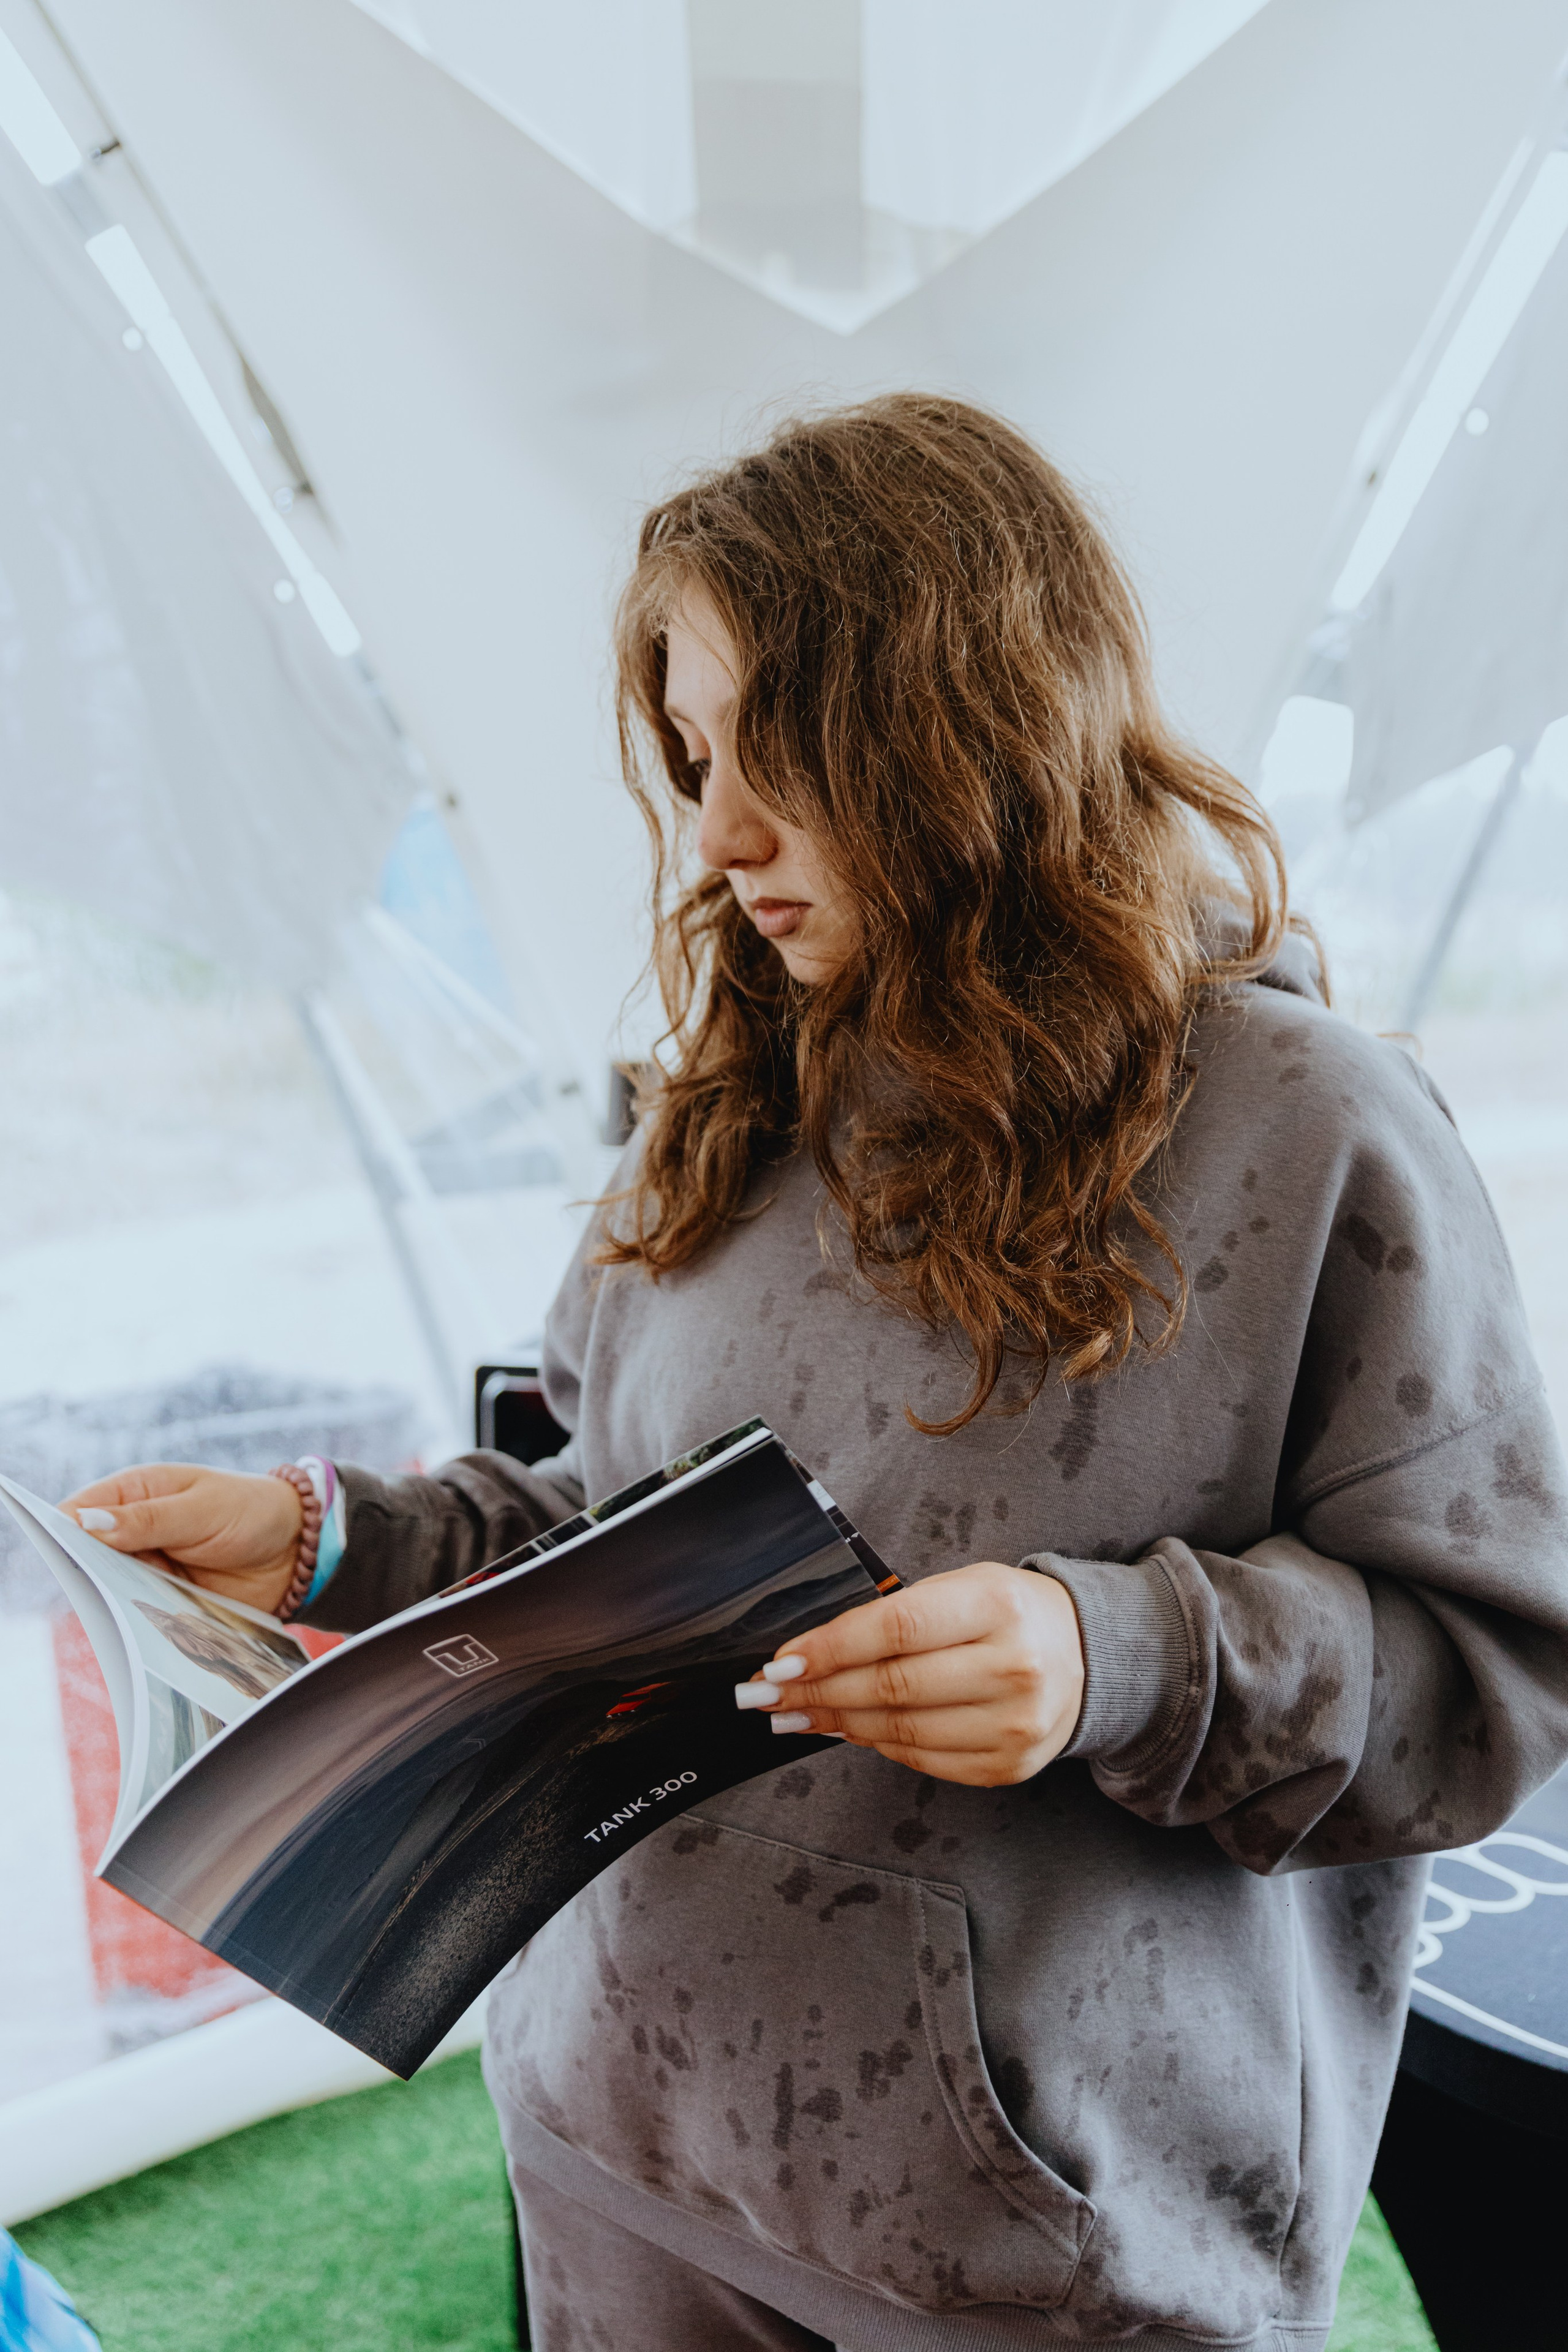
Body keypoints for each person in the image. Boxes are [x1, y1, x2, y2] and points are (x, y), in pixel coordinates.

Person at [66, 396, 1568, 2352]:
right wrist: (326, 1538)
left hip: (1035, 2257)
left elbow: (1494, 1673)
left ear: (968, 704)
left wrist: (1110, 1658)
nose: (721, 832)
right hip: (616, 2154)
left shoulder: (1311, 1134)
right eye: (692, 759)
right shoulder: (732, 1098)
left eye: (777, 744)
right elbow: (605, 1535)